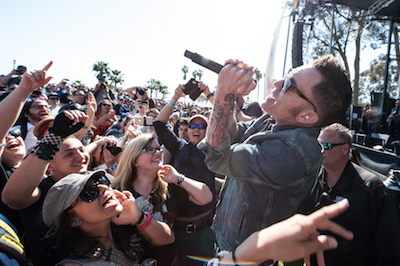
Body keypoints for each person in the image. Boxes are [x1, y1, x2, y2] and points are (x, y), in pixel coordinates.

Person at [198, 55, 352, 255]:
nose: (278, 83)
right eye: (287, 76)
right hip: (228, 246)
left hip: (245, 258)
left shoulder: (292, 154)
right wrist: (231, 93)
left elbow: (217, 157)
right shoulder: (275, 120)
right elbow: (234, 133)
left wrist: (222, 93)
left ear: (306, 116)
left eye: (289, 85)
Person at [297, 123, 400, 265]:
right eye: (318, 145)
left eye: (326, 146)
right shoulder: (309, 180)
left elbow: (388, 246)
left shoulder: (371, 187)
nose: (320, 151)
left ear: (345, 148)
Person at [42, 170, 175, 265]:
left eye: (102, 181)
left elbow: (168, 238)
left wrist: (137, 218)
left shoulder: (123, 228)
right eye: (89, 193)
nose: (103, 188)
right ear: (72, 220)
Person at [154, 83, 217, 266]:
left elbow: (225, 121)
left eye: (202, 126)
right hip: (179, 230)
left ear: (207, 131)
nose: (196, 129)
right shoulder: (179, 146)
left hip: (205, 230)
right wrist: (175, 97)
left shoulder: (213, 149)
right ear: (187, 130)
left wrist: (208, 94)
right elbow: (159, 124)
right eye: (192, 125)